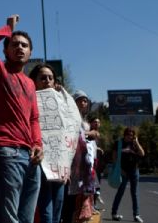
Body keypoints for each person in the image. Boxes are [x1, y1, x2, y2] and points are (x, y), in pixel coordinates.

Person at [0, 14, 43, 223]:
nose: (20, 48)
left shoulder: (30, 83)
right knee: (9, 218)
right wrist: (7, 29)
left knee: (26, 217)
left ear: (30, 52)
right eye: (14, 44)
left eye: (24, 45)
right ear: (5, 50)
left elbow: (33, 118)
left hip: (31, 156)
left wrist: (38, 143)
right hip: (6, 152)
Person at [29, 64, 70, 223]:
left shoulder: (62, 105)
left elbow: (67, 136)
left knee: (58, 207)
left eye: (50, 78)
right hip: (41, 162)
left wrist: (67, 168)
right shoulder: (30, 101)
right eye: (43, 77)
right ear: (35, 81)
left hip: (59, 164)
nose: (47, 81)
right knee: (46, 209)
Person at [67, 90, 99, 223]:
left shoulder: (84, 120)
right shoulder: (70, 116)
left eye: (85, 100)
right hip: (73, 162)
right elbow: (74, 134)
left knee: (84, 197)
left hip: (85, 163)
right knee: (72, 199)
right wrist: (89, 133)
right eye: (80, 99)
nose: (83, 102)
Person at [111, 127, 145, 223]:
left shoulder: (134, 144)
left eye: (132, 135)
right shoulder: (118, 143)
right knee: (120, 192)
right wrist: (120, 170)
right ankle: (114, 213)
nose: (130, 136)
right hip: (123, 172)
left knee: (134, 193)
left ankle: (136, 215)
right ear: (124, 135)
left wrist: (137, 142)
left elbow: (142, 154)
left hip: (134, 171)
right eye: (128, 134)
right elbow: (114, 158)